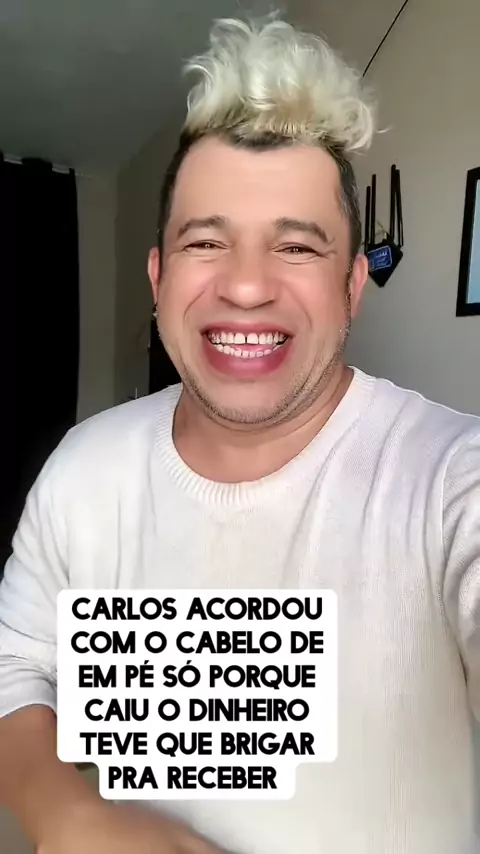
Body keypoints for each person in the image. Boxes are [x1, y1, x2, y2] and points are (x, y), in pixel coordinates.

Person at [0, 13, 479, 854]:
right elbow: (19, 668)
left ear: (351, 286)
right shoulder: (83, 470)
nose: (247, 286)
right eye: (206, 241)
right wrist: (65, 813)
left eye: (295, 247)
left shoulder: (450, 480)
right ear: (158, 277)